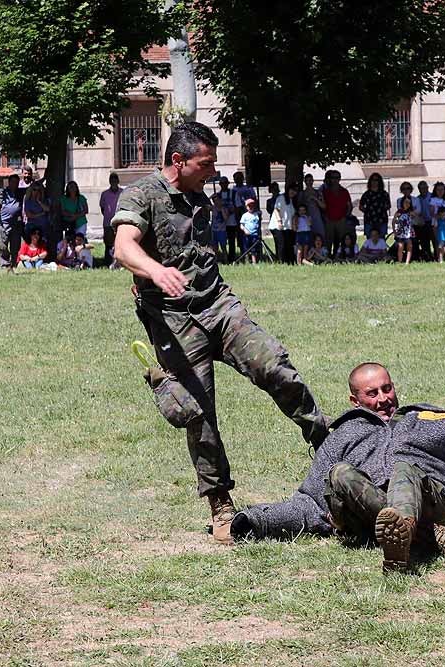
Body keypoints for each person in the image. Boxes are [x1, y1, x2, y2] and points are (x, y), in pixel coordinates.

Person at [112, 121, 330, 544]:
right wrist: (156, 272)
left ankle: (327, 440)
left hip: (219, 306)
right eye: (206, 162)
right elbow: (123, 246)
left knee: (275, 366)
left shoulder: (199, 197)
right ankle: (220, 504)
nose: (213, 170)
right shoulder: (143, 195)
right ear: (178, 161)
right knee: (198, 413)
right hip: (173, 320)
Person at [230, 352, 445, 572]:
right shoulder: (343, 435)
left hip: (429, 499)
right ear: (354, 400)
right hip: (367, 516)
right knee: (339, 474)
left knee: (404, 470)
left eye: (387, 388)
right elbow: (310, 502)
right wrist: (258, 520)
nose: (384, 398)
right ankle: (428, 538)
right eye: (372, 393)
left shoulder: (426, 419)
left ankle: (409, 531)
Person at [322, 170, 352, 257]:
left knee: (340, 239)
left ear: (339, 179)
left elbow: (349, 205)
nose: (335, 180)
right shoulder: (326, 192)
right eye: (333, 178)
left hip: (341, 219)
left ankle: (338, 255)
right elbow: (323, 205)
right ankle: (327, 257)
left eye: (337, 178)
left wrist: (346, 216)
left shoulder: (344, 191)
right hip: (329, 219)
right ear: (330, 179)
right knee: (328, 239)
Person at [0, 174, 24, 273]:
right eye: (13, 182)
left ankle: (13, 264)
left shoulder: (20, 193)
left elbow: (31, 188)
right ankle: (5, 264)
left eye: (17, 182)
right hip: (4, 222)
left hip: (15, 223)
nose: (15, 184)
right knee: (3, 244)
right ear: (9, 182)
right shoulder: (3, 192)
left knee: (15, 245)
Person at [268, 183, 297, 264]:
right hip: (278, 226)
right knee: (281, 245)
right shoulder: (281, 198)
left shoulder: (292, 201)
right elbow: (276, 209)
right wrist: (279, 222)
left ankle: (288, 262)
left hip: (287, 227)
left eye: (295, 191)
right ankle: (280, 262)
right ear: (288, 190)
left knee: (288, 245)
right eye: (292, 190)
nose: (293, 192)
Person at [99, 173, 123, 266]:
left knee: (119, 243)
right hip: (108, 222)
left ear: (118, 181)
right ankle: (108, 262)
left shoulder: (123, 192)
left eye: (115, 180)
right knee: (108, 243)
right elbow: (102, 208)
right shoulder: (104, 194)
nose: (113, 182)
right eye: (111, 180)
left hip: (119, 222)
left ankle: (120, 262)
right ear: (109, 181)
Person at [359, 173, 390, 240]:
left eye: (376, 180)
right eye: (372, 180)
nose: (374, 182)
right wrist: (368, 212)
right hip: (369, 220)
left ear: (380, 182)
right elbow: (361, 206)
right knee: (370, 241)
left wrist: (380, 210)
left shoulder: (384, 194)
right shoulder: (366, 194)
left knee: (381, 241)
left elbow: (388, 205)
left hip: (381, 220)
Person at [297, 174, 326, 242]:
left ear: (313, 181)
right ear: (304, 181)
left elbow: (324, 206)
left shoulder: (318, 192)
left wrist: (315, 198)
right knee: (307, 239)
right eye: (307, 180)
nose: (309, 182)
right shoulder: (302, 194)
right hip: (305, 218)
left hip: (317, 217)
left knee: (320, 236)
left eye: (310, 180)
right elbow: (298, 207)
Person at [218, 176, 239, 263]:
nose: (223, 185)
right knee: (222, 242)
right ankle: (224, 258)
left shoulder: (234, 193)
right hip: (221, 224)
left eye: (225, 183)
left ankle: (232, 258)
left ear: (228, 183)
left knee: (231, 241)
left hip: (232, 222)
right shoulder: (218, 195)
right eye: (222, 183)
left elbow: (238, 207)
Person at [414, 180, 434, 262]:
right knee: (424, 240)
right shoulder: (417, 199)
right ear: (419, 189)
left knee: (434, 240)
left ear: (427, 188)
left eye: (425, 188)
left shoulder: (432, 197)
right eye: (421, 188)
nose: (423, 190)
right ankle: (427, 255)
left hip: (432, 221)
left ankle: (436, 255)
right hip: (422, 223)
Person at [393, 195, 414, 264]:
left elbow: (416, 218)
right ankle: (400, 260)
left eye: (408, 203)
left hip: (409, 232)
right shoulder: (399, 212)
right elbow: (394, 221)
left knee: (409, 246)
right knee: (400, 247)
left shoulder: (411, 212)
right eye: (405, 202)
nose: (407, 204)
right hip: (401, 232)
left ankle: (407, 262)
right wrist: (394, 231)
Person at [239, 198, 261, 264]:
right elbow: (241, 225)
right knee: (246, 249)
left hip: (255, 234)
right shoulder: (245, 215)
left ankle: (254, 262)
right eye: (249, 206)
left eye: (252, 206)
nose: (251, 207)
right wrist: (245, 230)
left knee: (254, 249)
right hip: (247, 235)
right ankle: (247, 261)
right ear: (246, 207)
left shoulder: (257, 214)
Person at [210, 193, 229, 261]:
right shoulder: (212, 208)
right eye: (214, 200)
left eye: (217, 200)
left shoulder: (224, 209)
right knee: (214, 248)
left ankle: (226, 260)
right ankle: (216, 261)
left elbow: (226, 218)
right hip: (214, 230)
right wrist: (210, 197)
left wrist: (221, 210)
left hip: (222, 231)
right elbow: (205, 205)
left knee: (223, 247)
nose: (216, 202)